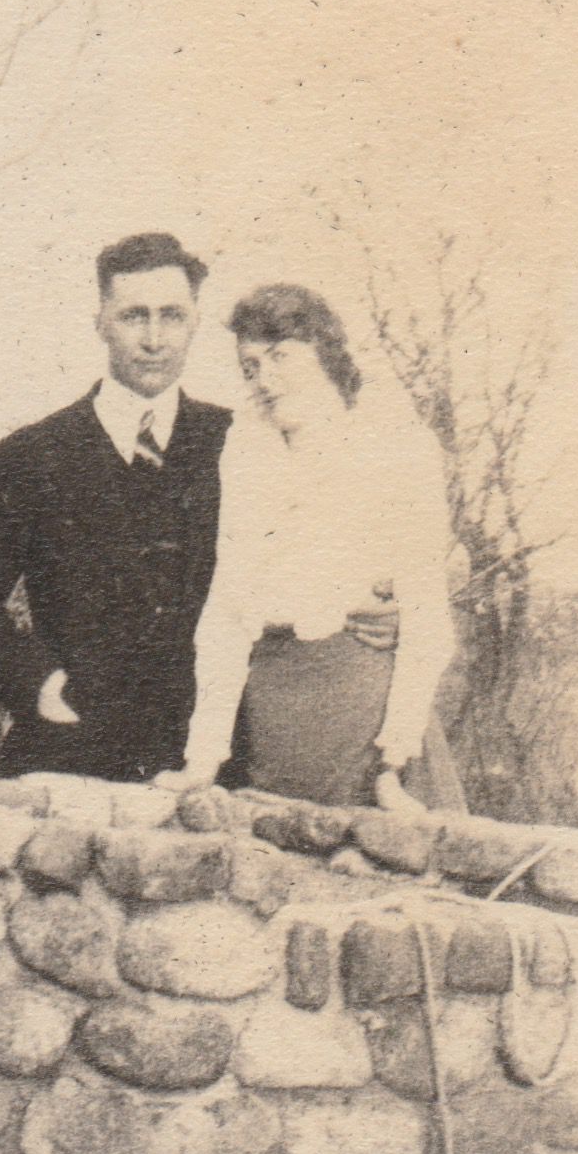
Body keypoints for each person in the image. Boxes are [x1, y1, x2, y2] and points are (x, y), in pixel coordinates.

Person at [0, 232, 233, 782]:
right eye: (134, 316)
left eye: (172, 316)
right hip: (70, 757)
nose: (154, 339)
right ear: (101, 324)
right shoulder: (36, 453)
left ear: (195, 324)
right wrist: (37, 683)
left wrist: (372, 613)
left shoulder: (235, 442)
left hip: (208, 767)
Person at [170, 283, 458, 811]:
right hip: (275, 708)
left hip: (363, 704)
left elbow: (427, 619)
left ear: (324, 351)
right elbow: (227, 612)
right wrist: (203, 757)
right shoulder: (246, 449)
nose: (265, 378)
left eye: (281, 356)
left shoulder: (398, 441)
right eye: (251, 366)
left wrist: (394, 763)